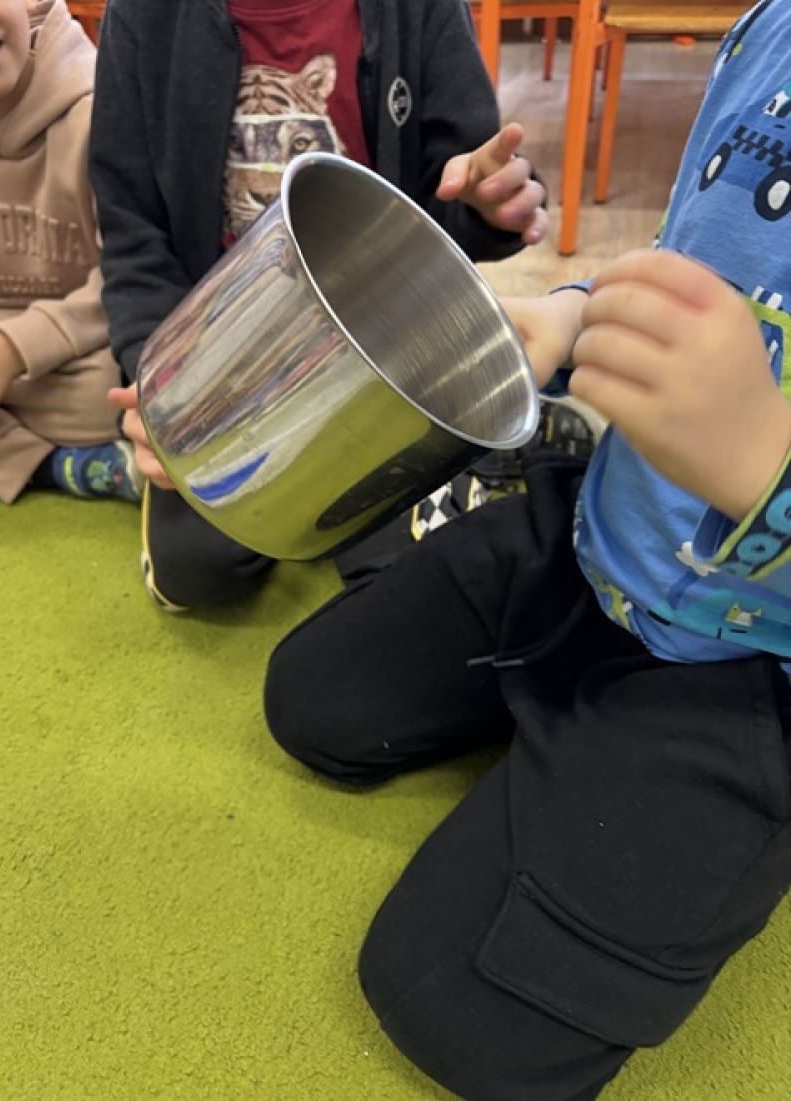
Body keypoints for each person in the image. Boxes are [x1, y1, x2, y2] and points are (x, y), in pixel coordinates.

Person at [263, 1, 791, 1097]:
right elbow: (696, 256)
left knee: (456, 1011)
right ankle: (564, 715)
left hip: (750, 670)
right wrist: (572, 312)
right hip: (594, 538)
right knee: (316, 701)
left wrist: (761, 469)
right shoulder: (769, 27)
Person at [89, 0, 549, 611]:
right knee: (197, 573)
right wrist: (157, 379)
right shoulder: (142, 17)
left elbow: (456, 194)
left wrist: (487, 209)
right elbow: (132, 233)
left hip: (388, 362)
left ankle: (510, 447)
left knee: (405, 564)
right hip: (222, 367)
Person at [0, 0, 141, 505]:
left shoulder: (96, 112)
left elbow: (128, 277)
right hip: (21, 364)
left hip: (80, 350)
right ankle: (52, 466)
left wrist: (10, 350)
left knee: (113, 388)